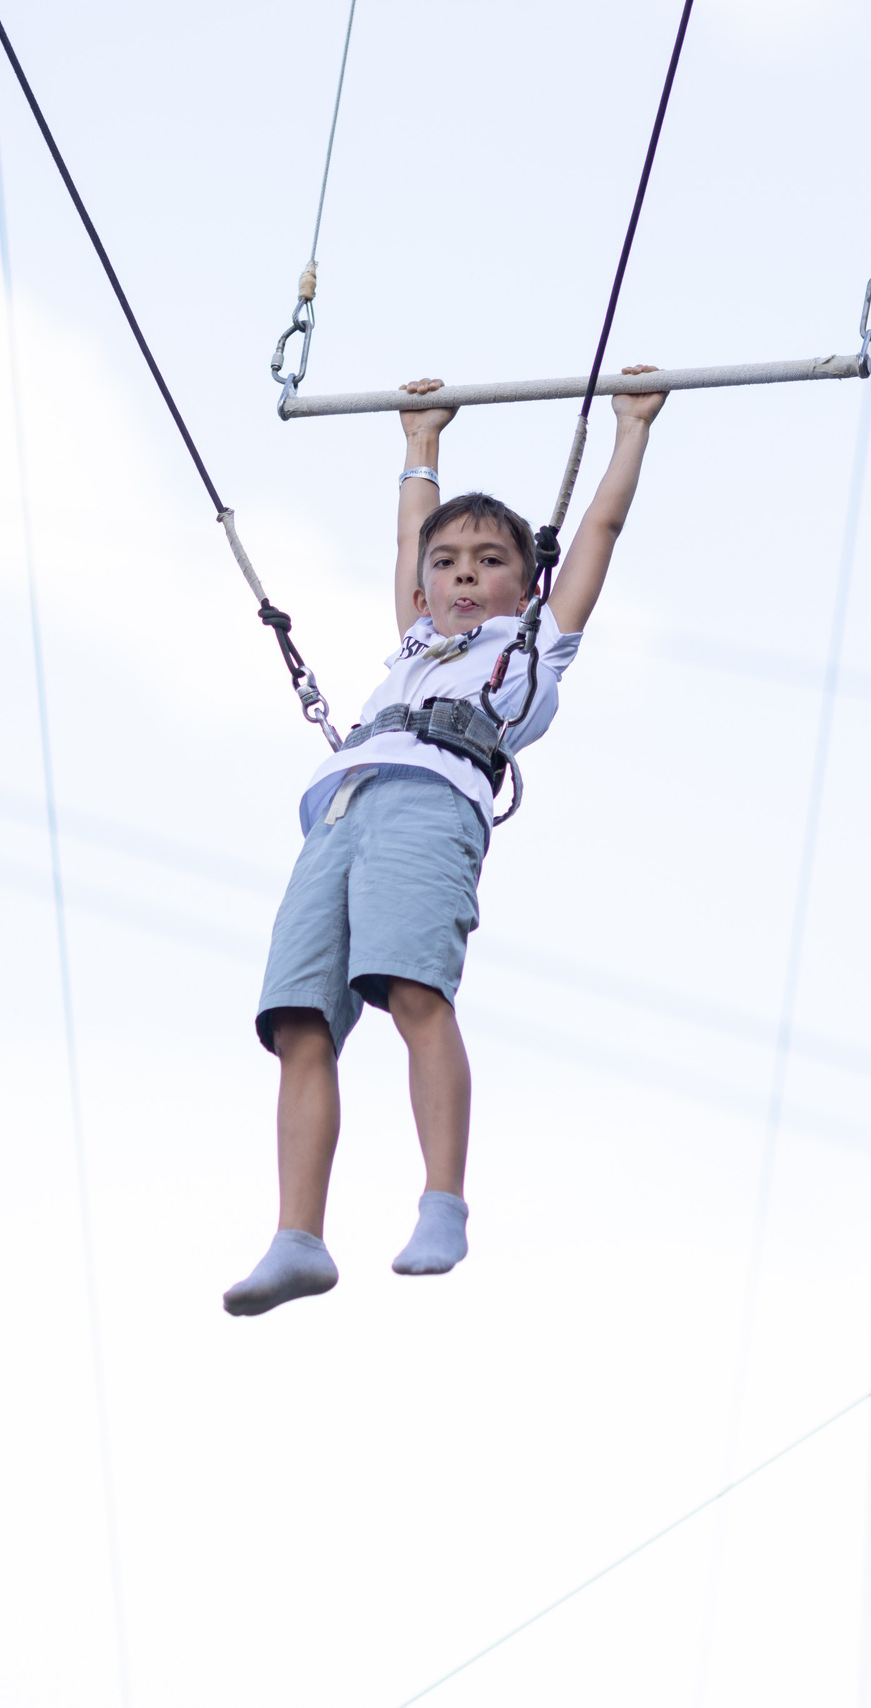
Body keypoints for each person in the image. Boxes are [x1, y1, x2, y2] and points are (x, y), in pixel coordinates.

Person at [223, 367, 670, 1316]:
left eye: (489, 560)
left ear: (525, 582)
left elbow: (598, 533)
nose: (464, 573)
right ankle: (298, 1236)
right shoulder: (414, 642)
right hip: (340, 809)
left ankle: (442, 1200)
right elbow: (407, 539)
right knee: (299, 1022)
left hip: (432, 801)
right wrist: (419, 443)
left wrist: (629, 429)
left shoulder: (533, 644)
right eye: (449, 562)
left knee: (414, 991)